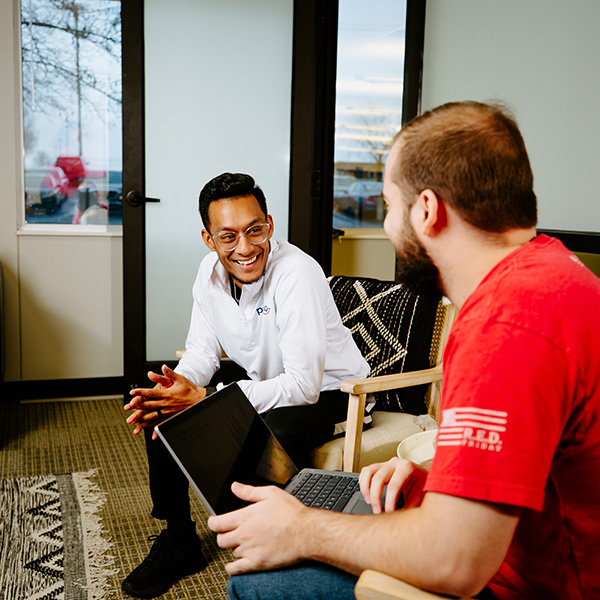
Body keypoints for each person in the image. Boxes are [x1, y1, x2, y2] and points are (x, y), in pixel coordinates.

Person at [207, 101, 600, 600]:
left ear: (428, 211)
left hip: (525, 583)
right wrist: (434, 472)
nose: (390, 226)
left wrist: (303, 530)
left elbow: (454, 560)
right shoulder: (555, 273)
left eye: (389, 206)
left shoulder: (506, 327)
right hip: (515, 543)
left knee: (258, 583)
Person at [121, 172, 370, 598]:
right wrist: (179, 387)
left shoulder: (297, 274)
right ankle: (180, 540)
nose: (245, 247)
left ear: (269, 225)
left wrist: (209, 399)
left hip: (333, 395)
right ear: (209, 239)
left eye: (255, 230)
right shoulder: (208, 274)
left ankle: (265, 543)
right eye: (228, 236)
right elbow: (201, 350)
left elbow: (305, 385)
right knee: (164, 413)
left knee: (266, 436)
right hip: (267, 383)